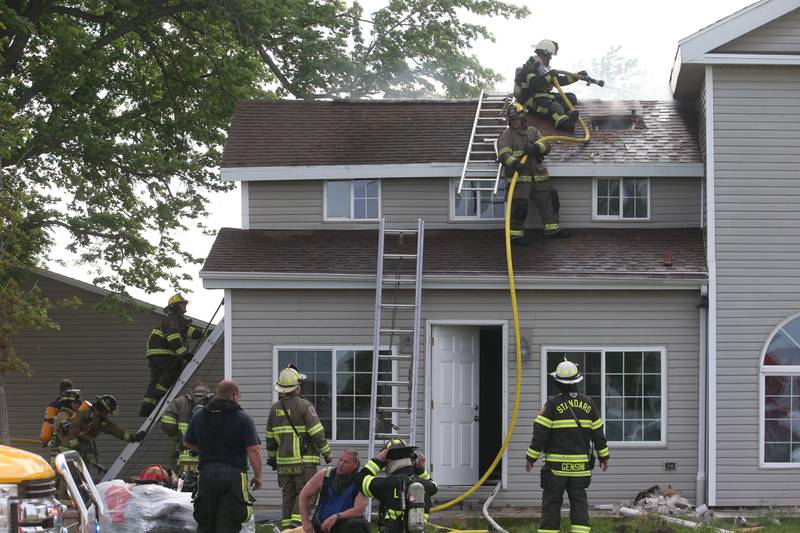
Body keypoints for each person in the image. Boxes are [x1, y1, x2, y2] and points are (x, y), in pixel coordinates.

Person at [525, 359, 610, 533]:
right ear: (578, 380)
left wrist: (530, 458)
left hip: (555, 470)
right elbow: (598, 436)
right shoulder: (589, 404)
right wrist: (604, 457)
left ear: (557, 383)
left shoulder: (552, 405)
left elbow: (540, 435)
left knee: (551, 504)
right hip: (580, 469)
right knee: (579, 503)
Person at [183, 379, 262, 533]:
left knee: (206, 521)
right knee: (230, 521)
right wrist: (258, 476)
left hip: (206, 474)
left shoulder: (200, 416)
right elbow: (254, 450)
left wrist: (207, 448)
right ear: (233, 396)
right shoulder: (243, 419)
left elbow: (187, 443)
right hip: (233, 475)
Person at [266, 364, 333, 530]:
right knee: (306, 494)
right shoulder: (305, 406)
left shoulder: (275, 409)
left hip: (283, 464)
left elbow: (270, 439)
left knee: (288, 496)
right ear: (297, 388)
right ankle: (297, 526)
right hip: (304, 463)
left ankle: (286, 529)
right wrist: (327, 452)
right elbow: (317, 433)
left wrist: (273, 459)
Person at [497, 101, 568, 243]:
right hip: (520, 179)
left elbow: (546, 145)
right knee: (519, 207)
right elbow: (503, 154)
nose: (514, 122)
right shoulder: (506, 135)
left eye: (516, 118)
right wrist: (515, 163)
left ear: (523, 118)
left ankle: (552, 229)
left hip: (538, 176)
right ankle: (515, 236)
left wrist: (537, 148)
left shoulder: (533, 132)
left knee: (550, 200)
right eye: (511, 119)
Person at [139, 293, 207, 417]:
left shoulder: (178, 321)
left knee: (155, 379)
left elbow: (192, 333)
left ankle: (147, 407)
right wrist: (185, 355)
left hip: (156, 353)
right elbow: (173, 339)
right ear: (175, 307)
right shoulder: (171, 321)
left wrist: (207, 332)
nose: (185, 306)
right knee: (175, 366)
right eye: (182, 303)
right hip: (161, 351)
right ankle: (159, 395)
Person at [354, 438, 437, 533]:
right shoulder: (425, 485)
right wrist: (420, 470)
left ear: (388, 461)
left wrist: (377, 462)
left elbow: (359, 480)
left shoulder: (386, 484)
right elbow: (434, 485)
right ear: (411, 459)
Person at [514, 39, 586, 132]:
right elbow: (535, 84)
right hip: (535, 103)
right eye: (549, 56)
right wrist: (549, 76)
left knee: (571, 97)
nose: (550, 58)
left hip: (547, 98)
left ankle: (561, 113)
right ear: (543, 54)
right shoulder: (530, 67)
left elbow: (559, 81)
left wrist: (577, 76)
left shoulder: (543, 68)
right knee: (555, 105)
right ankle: (564, 123)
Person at [298, 448, 370, 533]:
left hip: (345, 526)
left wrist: (336, 517)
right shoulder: (325, 474)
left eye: (346, 462)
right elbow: (303, 495)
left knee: (357, 525)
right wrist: (305, 522)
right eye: (340, 460)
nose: (340, 464)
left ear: (355, 465)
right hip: (322, 525)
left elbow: (358, 510)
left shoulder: (360, 481)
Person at [69, 394, 145, 471]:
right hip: (69, 449)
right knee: (72, 475)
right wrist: (75, 448)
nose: (107, 414)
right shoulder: (84, 413)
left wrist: (133, 437)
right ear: (103, 409)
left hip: (81, 450)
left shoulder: (100, 420)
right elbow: (72, 430)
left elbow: (115, 430)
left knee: (81, 476)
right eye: (107, 412)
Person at [160, 381, 210, 490]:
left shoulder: (180, 402)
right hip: (210, 457)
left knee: (184, 488)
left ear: (192, 391)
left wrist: (179, 438)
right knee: (209, 488)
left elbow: (166, 422)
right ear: (208, 392)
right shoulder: (215, 402)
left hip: (186, 457)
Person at [51, 388, 82, 500]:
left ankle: (57, 499)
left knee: (58, 478)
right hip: (60, 452)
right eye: (75, 403)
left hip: (62, 451)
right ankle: (64, 502)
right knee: (62, 477)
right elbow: (67, 431)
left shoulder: (69, 414)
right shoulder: (63, 415)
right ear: (69, 403)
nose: (77, 405)